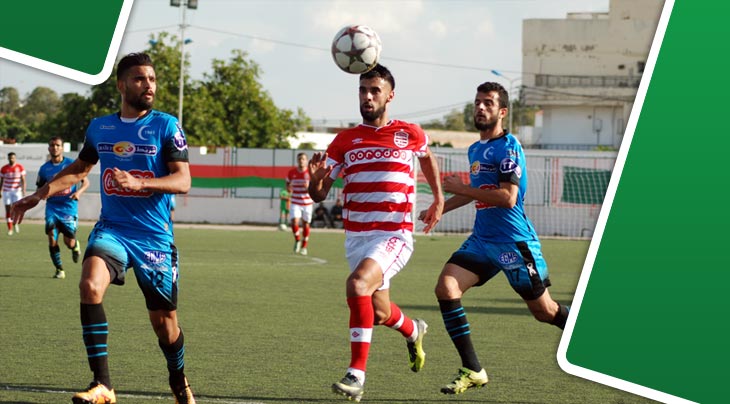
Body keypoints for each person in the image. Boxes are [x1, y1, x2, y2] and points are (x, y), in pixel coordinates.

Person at [11, 52, 196, 404]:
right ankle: (103, 385)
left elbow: (183, 180)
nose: (149, 86)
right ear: (122, 84)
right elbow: (80, 168)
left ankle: (179, 381)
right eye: (141, 79)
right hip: (112, 229)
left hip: (154, 237)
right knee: (89, 285)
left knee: (165, 325)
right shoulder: (100, 127)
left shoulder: (166, 126)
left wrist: (141, 185)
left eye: (152, 79)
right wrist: (37, 195)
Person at [308, 64, 444, 402]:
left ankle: (356, 374)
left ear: (390, 95)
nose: (367, 97)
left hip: (394, 235)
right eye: (363, 90)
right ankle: (414, 331)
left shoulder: (409, 133)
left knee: (357, 284)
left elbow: (427, 159)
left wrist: (438, 198)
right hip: (357, 238)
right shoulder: (344, 141)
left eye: (375, 91)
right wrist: (314, 180)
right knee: (380, 311)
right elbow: (320, 195)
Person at [425, 82, 570, 395]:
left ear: (502, 112)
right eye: (478, 102)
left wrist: (461, 188)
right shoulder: (476, 149)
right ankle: (473, 369)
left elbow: (506, 197)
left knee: (544, 312)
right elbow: (480, 192)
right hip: (482, 240)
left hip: (514, 243)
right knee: (446, 288)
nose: (480, 108)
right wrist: (442, 208)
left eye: (488, 103)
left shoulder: (509, 147)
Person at [36, 137, 90, 279]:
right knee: (51, 239)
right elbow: (39, 187)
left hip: (68, 208)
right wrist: (42, 194)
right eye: (52, 145)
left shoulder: (71, 164)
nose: (55, 148)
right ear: (49, 148)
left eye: (57, 145)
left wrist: (78, 192)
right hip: (52, 207)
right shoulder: (44, 169)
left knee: (69, 242)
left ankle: (75, 246)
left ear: (62, 148)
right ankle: (59, 269)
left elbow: (86, 182)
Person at [286, 152, 314, 255]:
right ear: (297, 160)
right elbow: (287, 183)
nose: (301, 161)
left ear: (306, 161)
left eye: (303, 159)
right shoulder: (292, 172)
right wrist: (288, 188)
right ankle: (297, 239)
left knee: (306, 223)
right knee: (294, 221)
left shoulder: (310, 173)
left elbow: (315, 188)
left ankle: (304, 246)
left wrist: (309, 188)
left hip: (307, 202)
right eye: (299, 159)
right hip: (295, 201)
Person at [1, 152, 26, 235]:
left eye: (13, 158)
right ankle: (10, 228)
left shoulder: (20, 167)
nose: (11, 159)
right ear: (8, 158)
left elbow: (23, 180)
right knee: (8, 209)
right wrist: (0, 190)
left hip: (16, 191)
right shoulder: (4, 168)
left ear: (15, 158)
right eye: (10, 158)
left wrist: (23, 190)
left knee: (16, 208)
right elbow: (2, 181)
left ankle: (15, 223)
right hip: (6, 190)